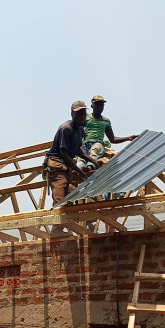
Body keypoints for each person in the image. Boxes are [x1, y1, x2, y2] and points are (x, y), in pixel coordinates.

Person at [44, 101, 100, 237]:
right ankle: (56, 231)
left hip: (66, 166)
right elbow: (63, 153)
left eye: (83, 113)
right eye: (78, 114)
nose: (82, 116)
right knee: (60, 198)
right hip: (56, 165)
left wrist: (93, 160)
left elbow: (78, 150)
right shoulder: (66, 129)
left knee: (68, 198)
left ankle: (64, 227)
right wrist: (80, 171)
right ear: (72, 114)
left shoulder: (80, 130)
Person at [76, 95, 138, 171]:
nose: (100, 107)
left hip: (98, 143)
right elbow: (77, 127)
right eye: (97, 105)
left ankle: (90, 167)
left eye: (101, 105)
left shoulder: (106, 121)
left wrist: (128, 138)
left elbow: (112, 139)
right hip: (85, 143)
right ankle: (77, 170)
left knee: (94, 152)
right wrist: (81, 131)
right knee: (81, 157)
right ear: (92, 106)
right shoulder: (86, 117)